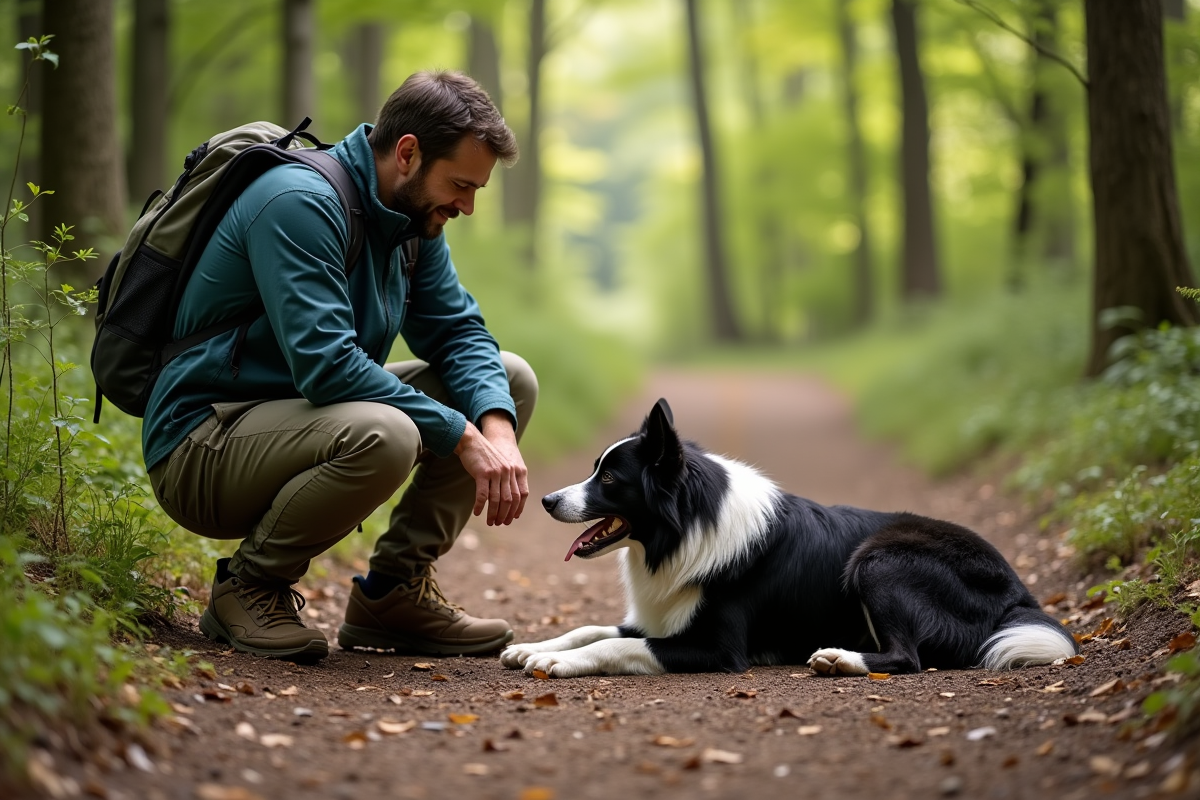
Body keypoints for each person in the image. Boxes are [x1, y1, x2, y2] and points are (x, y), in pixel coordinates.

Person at [143, 71, 536, 661]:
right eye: (460, 184)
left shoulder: (412, 221)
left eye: (475, 190)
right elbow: (327, 367)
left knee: (508, 380)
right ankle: (248, 588)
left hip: (302, 420)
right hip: (203, 443)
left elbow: (458, 332)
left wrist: (495, 428)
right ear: (408, 153)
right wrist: (460, 434)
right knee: (389, 431)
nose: (468, 206)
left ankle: (393, 595)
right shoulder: (299, 202)